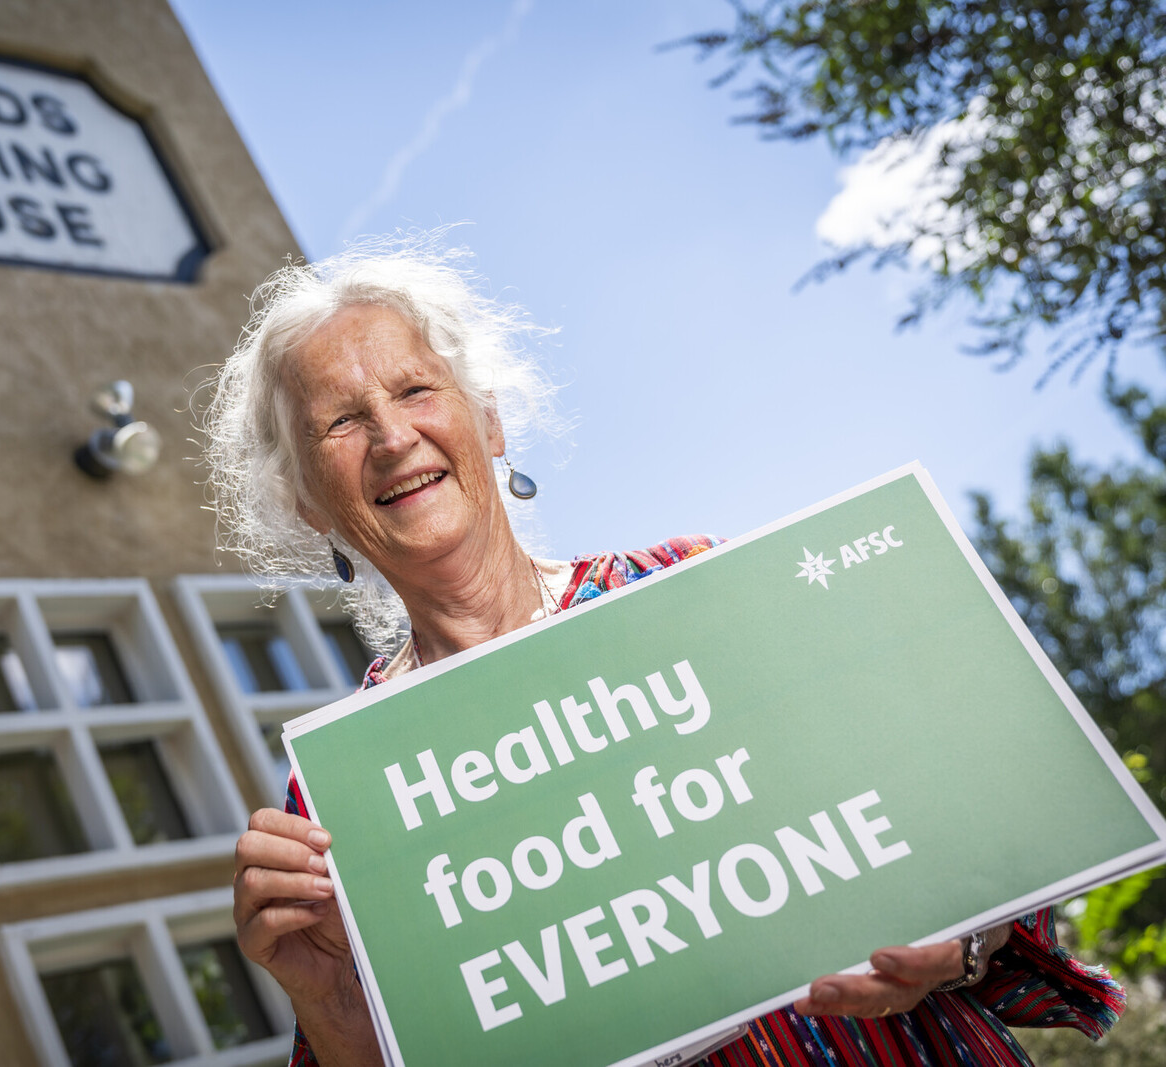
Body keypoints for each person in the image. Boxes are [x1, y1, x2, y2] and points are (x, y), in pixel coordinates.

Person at [202, 242, 1124, 1067]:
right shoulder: (344, 800)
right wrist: (328, 1002)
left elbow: (963, 834)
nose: (394, 436)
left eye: (414, 390)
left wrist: (964, 937)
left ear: (488, 424)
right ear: (309, 504)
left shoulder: (698, 588)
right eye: (342, 421)